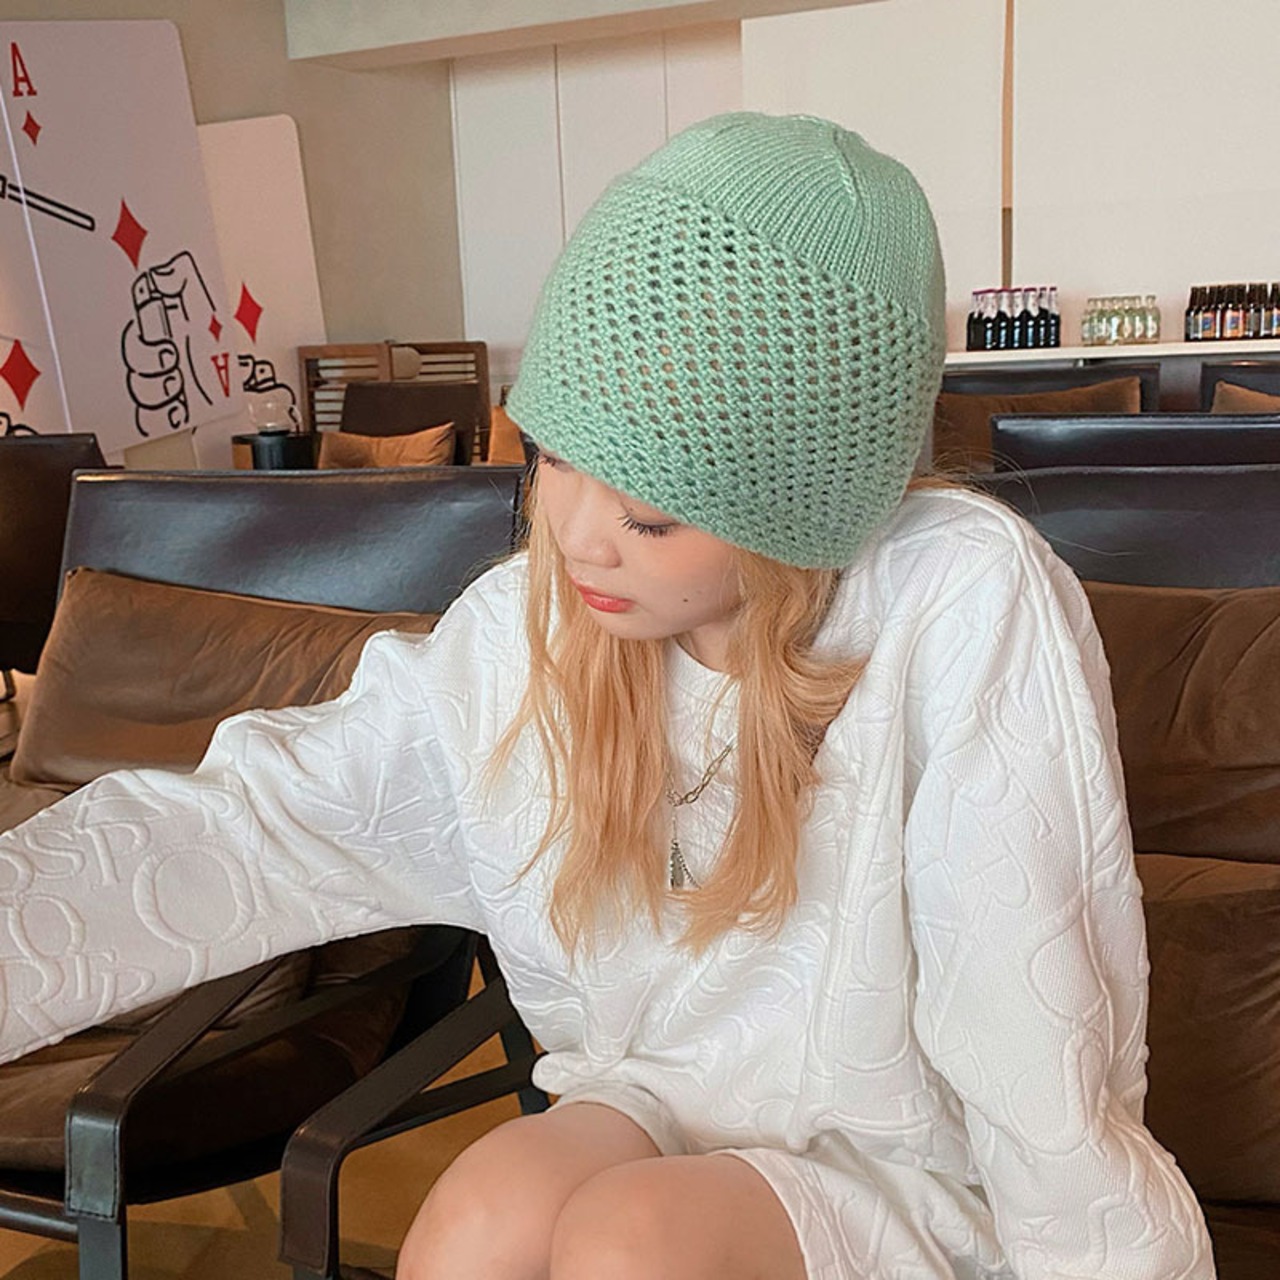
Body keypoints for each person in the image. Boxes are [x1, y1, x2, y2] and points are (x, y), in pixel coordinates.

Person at [0, 114, 1212, 1279]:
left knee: (633, 1242)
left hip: (909, 1154)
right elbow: (258, 820)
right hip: (654, 1095)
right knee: (478, 1217)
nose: (574, 536)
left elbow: (1023, 1000)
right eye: (553, 455)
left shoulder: (956, 595)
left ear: (794, 506)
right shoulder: (530, 623)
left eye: (648, 512)